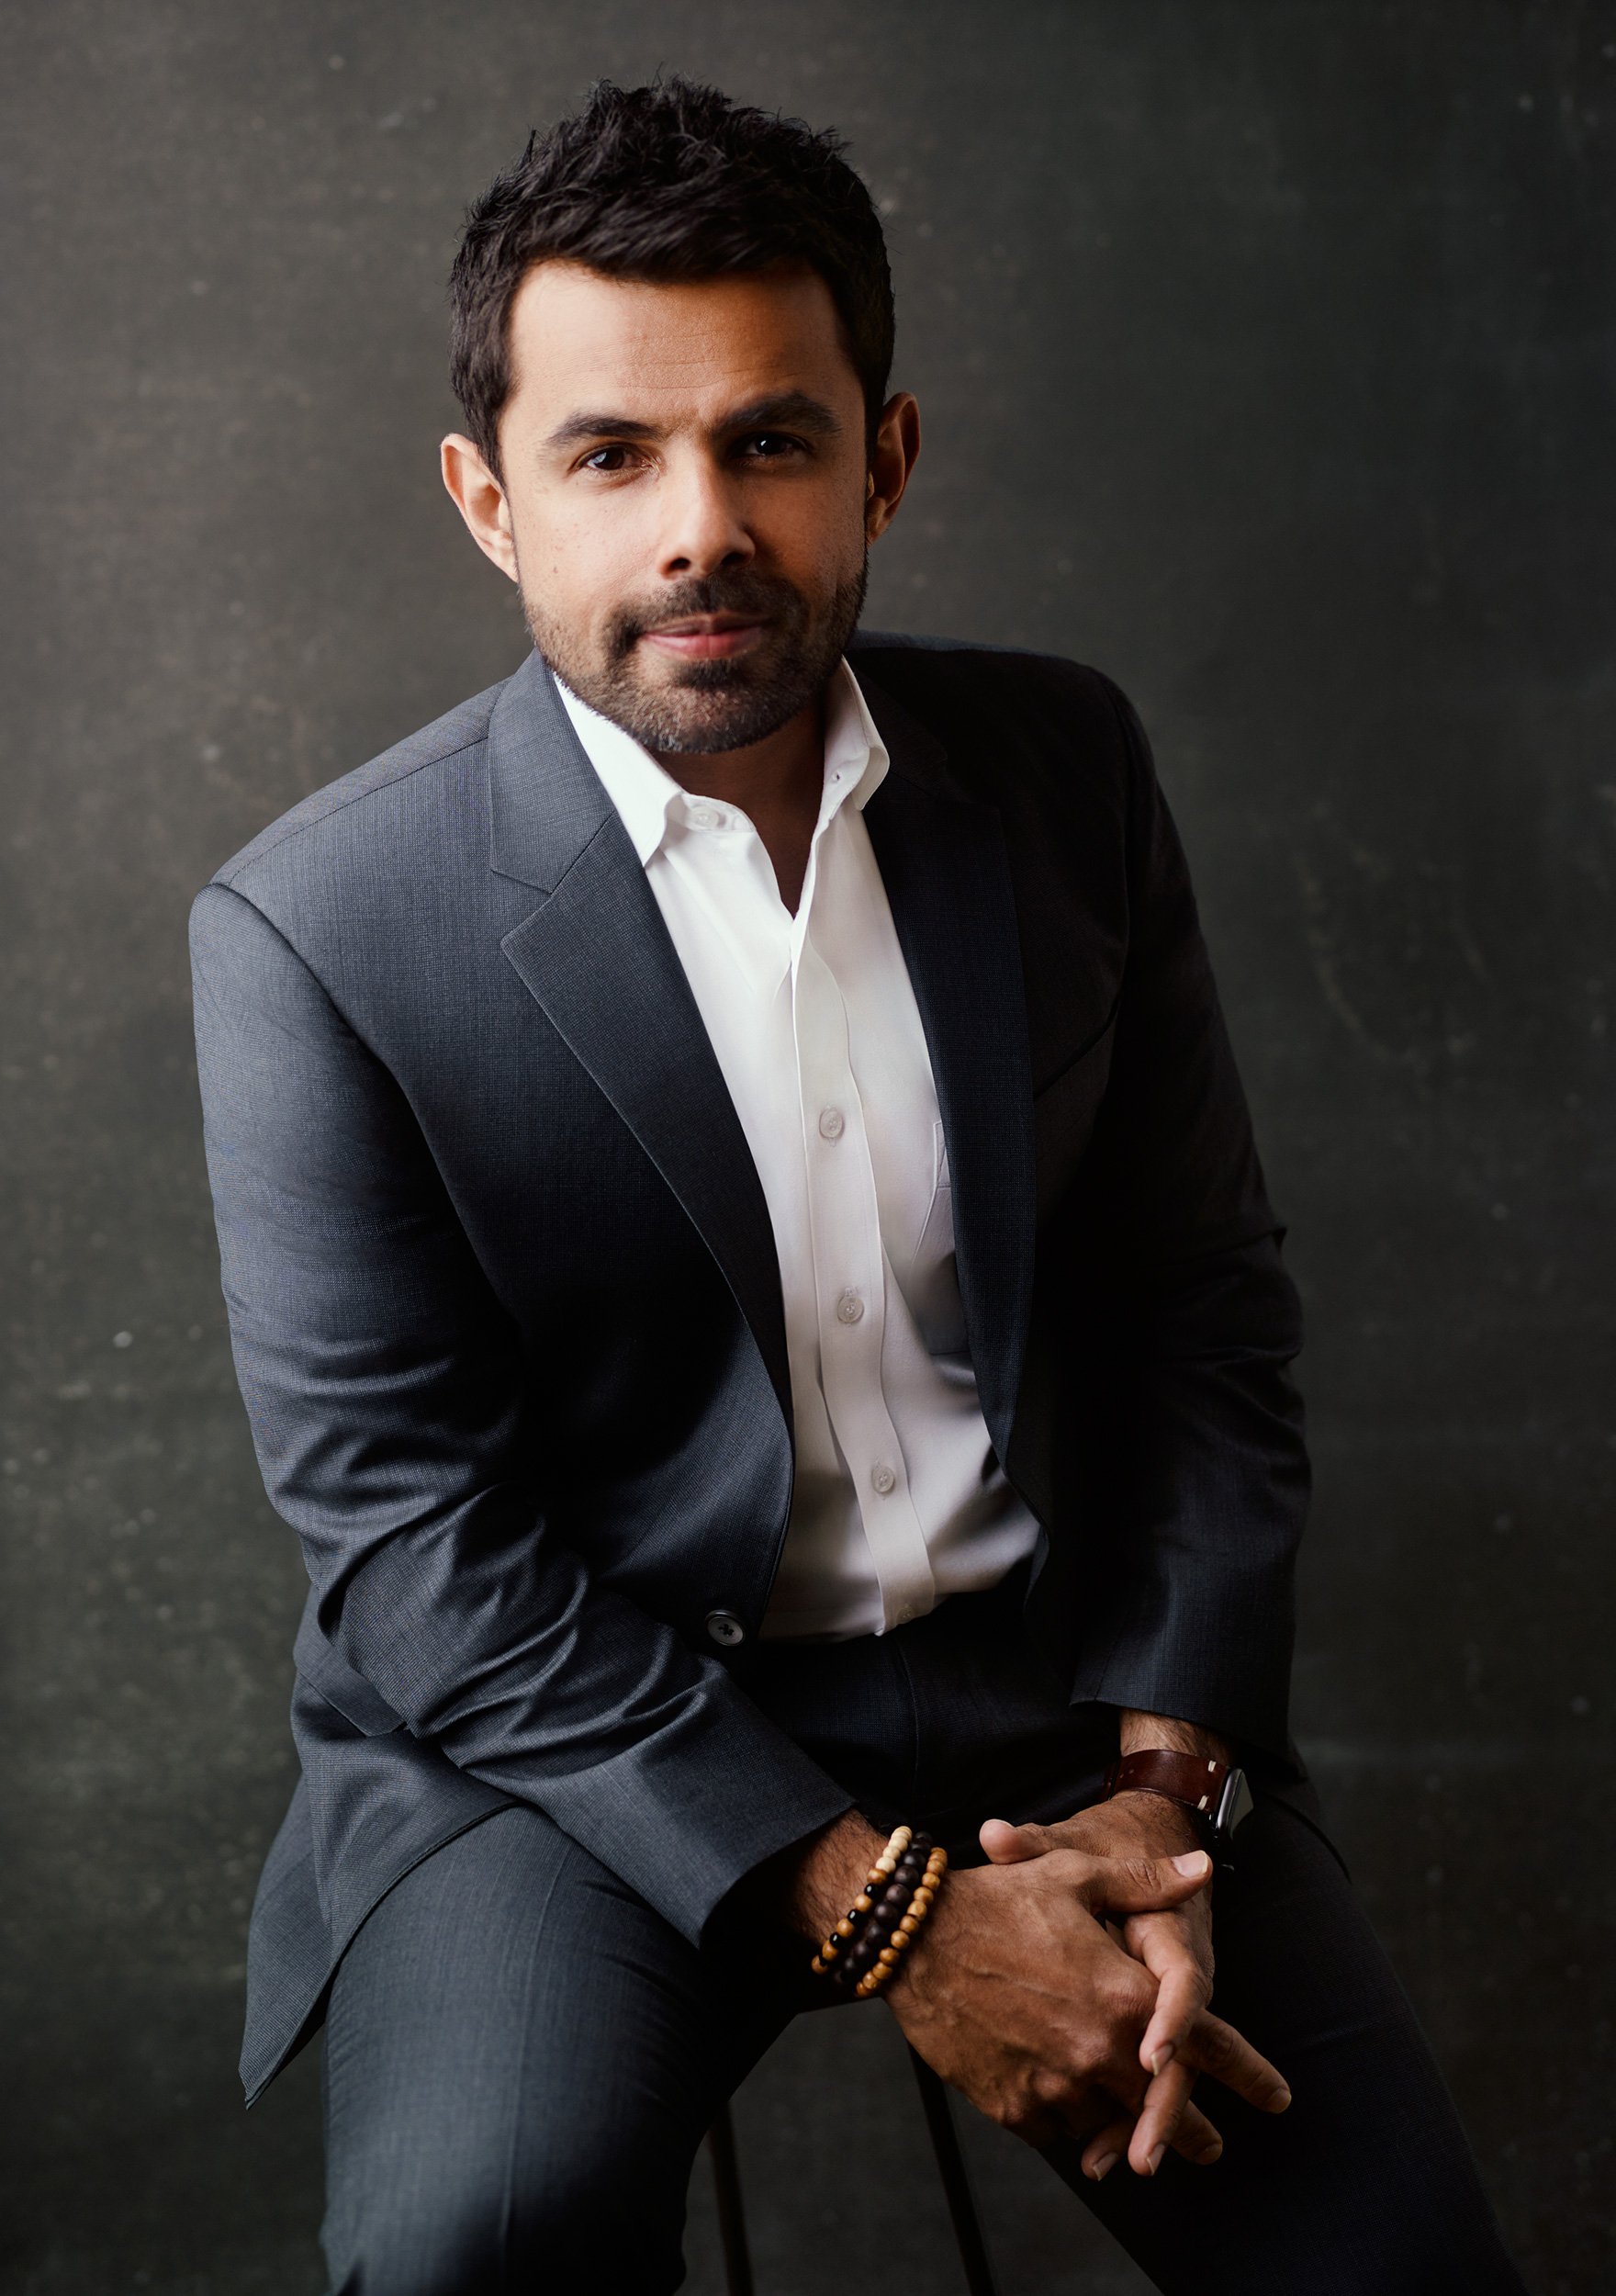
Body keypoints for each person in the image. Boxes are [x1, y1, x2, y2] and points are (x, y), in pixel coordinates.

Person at [191, 75, 1524, 2295]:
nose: (698, 524)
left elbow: (1201, 1313)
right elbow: (417, 1548)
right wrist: (895, 1916)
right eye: (610, 455)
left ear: (882, 460)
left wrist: (1163, 1785)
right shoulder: (322, 932)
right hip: (588, 1747)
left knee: (1391, 2267)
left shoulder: (1061, 769)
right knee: (468, 2249)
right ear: (487, 501)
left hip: (1065, 1699)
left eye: (770, 441)